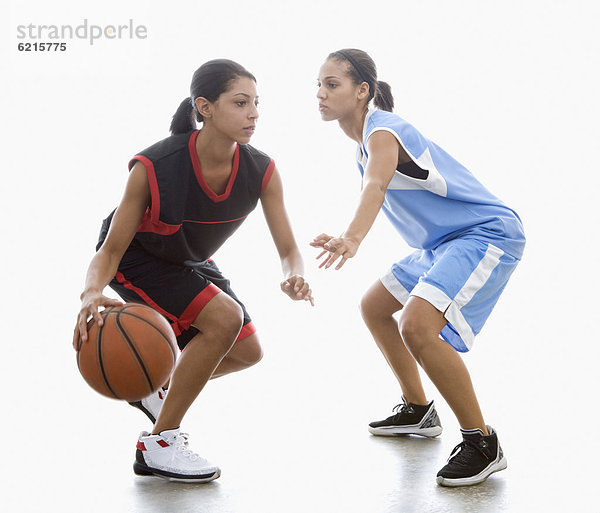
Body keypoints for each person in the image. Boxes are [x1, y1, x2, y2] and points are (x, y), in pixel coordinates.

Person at [73, 59, 313, 483]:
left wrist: (295, 274)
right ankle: (159, 443)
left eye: (257, 103)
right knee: (224, 318)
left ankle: (156, 390)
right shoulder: (154, 167)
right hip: (136, 257)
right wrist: (90, 292)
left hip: (186, 259)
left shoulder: (262, 171)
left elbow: (289, 248)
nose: (253, 113)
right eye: (240, 103)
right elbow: (110, 251)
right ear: (204, 107)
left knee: (246, 351)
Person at [312, 49, 525, 487]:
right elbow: (374, 183)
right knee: (374, 306)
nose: (320, 94)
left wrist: (351, 238)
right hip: (443, 244)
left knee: (417, 326)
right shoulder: (364, 143)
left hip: (484, 233)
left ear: (362, 91)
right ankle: (418, 409)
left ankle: (482, 442)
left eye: (332, 84)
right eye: (318, 85)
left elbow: (375, 186)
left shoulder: (385, 131)